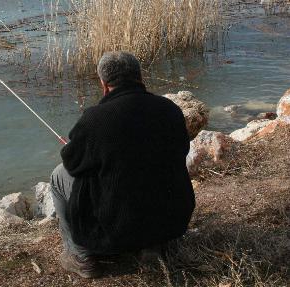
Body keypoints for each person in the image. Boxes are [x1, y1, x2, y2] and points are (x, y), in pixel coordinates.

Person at [50, 51, 195, 279]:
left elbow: (73, 164)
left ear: (104, 85)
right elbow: (182, 151)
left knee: (58, 176)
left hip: (117, 231)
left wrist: (75, 146)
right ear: (140, 77)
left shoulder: (95, 118)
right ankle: (153, 247)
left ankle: (80, 256)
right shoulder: (170, 109)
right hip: (173, 222)